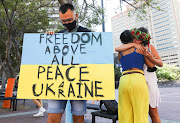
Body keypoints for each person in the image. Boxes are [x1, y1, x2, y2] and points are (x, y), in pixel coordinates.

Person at [47, 3, 91, 123]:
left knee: (78, 118)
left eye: (69, 20)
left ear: (76, 16)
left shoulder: (88, 34)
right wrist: (48, 40)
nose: (67, 23)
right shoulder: (58, 35)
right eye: (63, 21)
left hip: (78, 82)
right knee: (52, 119)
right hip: (58, 82)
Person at [115, 27, 163, 123]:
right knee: (140, 113)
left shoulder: (121, 51)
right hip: (138, 79)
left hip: (124, 79)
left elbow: (118, 52)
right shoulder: (141, 49)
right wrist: (148, 57)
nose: (136, 40)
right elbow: (151, 65)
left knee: (125, 112)